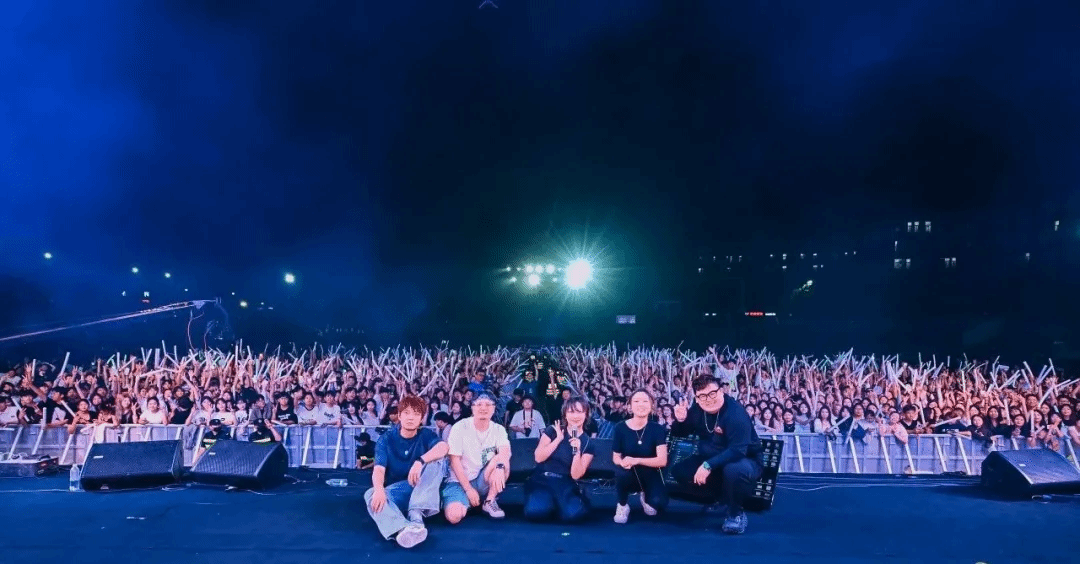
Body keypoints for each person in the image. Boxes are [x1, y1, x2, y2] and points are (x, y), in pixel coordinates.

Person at [671, 375, 763, 535]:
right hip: (713, 459)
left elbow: (738, 450)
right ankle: (722, 499)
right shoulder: (697, 409)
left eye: (712, 393)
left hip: (745, 460)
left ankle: (736, 513)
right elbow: (680, 433)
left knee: (734, 470)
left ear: (721, 391)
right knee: (680, 471)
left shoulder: (736, 414)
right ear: (697, 398)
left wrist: (708, 465)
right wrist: (680, 420)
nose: (708, 399)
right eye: (702, 396)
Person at [364, 395, 448, 549]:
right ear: (399, 415)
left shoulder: (425, 434)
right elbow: (378, 470)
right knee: (371, 494)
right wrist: (379, 490)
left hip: (423, 487)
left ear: (421, 419)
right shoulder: (386, 439)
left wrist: (420, 461)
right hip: (400, 489)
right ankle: (404, 529)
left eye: (416, 414)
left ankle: (416, 515)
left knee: (437, 461)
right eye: (407, 413)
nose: (411, 418)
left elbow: (444, 448)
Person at [442, 392, 511, 524]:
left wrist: (500, 467)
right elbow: (454, 461)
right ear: (472, 407)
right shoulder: (460, 427)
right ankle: (465, 501)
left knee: (501, 460)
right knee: (454, 516)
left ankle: (489, 501)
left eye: (488, 405)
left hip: (481, 479)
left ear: (493, 408)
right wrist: (468, 489)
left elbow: (504, 451)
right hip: (458, 481)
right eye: (479, 404)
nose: (483, 408)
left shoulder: (498, 429)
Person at [523, 396, 595, 522]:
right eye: (571, 412)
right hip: (543, 480)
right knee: (535, 513)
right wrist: (557, 440)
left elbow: (576, 475)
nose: (575, 416)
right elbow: (538, 458)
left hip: (565, 482)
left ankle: (566, 503)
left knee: (572, 516)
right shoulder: (552, 430)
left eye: (579, 412)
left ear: (586, 414)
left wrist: (577, 451)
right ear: (565, 414)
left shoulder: (588, 443)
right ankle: (551, 503)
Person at [612, 389, 669, 524]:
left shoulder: (658, 429)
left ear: (651, 405)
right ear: (630, 406)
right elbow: (616, 457)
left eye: (645, 401)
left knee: (659, 503)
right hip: (628, 472)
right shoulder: (620, 428)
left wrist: (636, 460)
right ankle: (622, 504)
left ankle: (645, 496)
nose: (641, 404)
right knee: (620, 473)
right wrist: (622, 462)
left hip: (650, 473)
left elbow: (662, 460)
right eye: (636, 401)